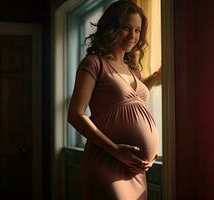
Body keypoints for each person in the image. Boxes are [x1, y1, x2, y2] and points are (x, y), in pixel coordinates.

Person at [67, 1, 161, 199]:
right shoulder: (94, 63)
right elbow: (75, 115)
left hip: (136, 170)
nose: (132, 35)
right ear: (111, 28)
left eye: (137, 30)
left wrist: (150, 152)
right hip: (106, 161)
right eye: (126, 28)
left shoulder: (134, 70)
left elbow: (132, 104)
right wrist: (116, 151)